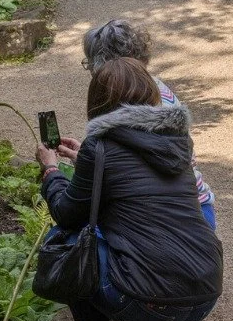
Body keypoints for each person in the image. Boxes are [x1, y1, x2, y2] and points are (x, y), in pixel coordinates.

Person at [36, 57, 223, 321]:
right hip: (204, 291)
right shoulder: (177, 141)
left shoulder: (102, 146)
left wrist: (51, 169)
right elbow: (137, 181)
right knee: (141, 261)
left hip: (146, 297)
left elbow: (66, 212)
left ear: (100, 102)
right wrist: (85, 160)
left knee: (71, 244)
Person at [81, 19, 217, 230]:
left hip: (166, 219)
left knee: (77, 232)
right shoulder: (159, 90)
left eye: (90, 65)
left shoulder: (127, 102)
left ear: (106, 65)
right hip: (198, 210)